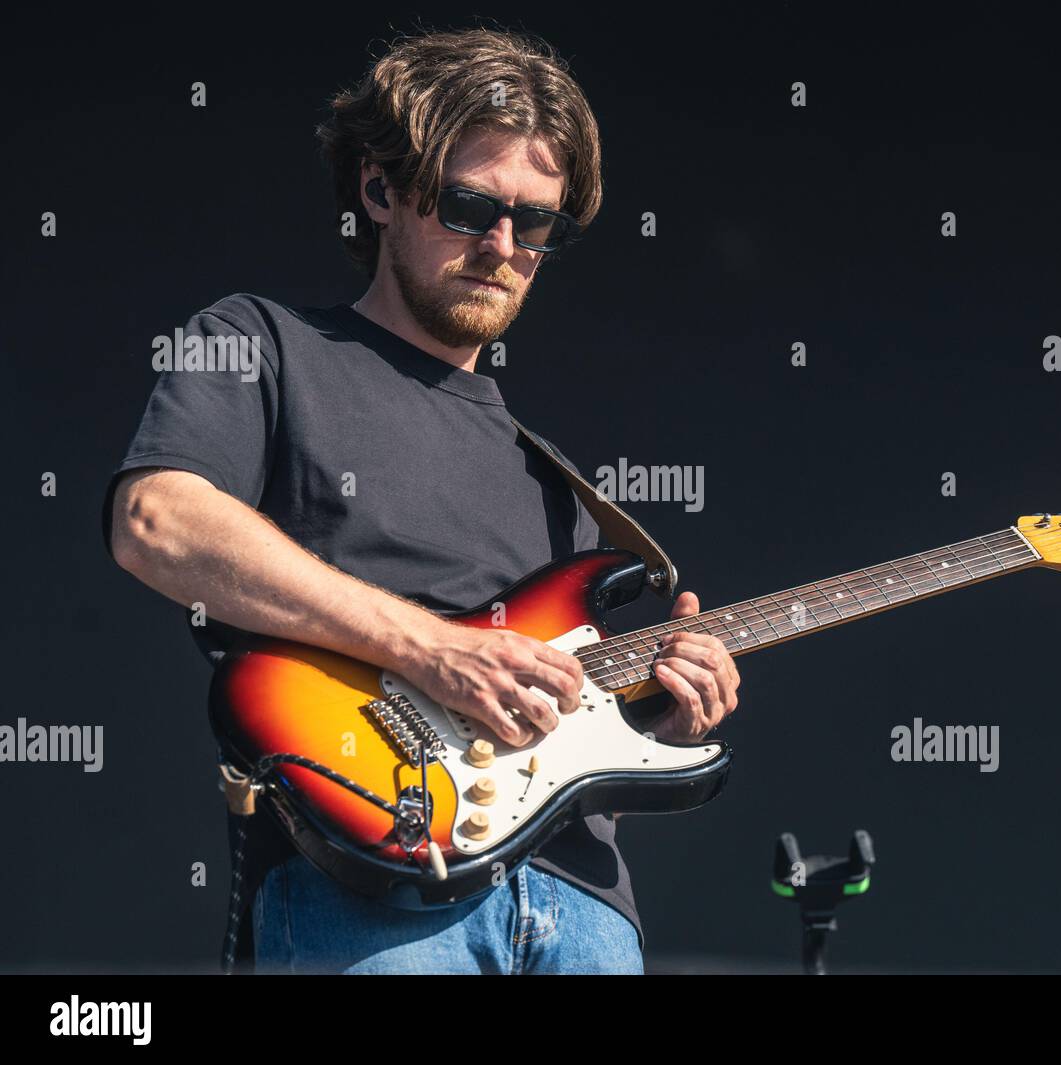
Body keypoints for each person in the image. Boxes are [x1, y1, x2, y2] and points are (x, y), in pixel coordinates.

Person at [103, 27, 740, 975]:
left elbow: (551, 724)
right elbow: (158, 519)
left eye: (537, 224)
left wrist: (664, 708)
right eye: (469, 204)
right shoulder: (263, 344)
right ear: (379, 190)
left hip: (586, 908)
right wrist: (432, 647)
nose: (502, 246)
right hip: (371, 887)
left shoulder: (554, 483)